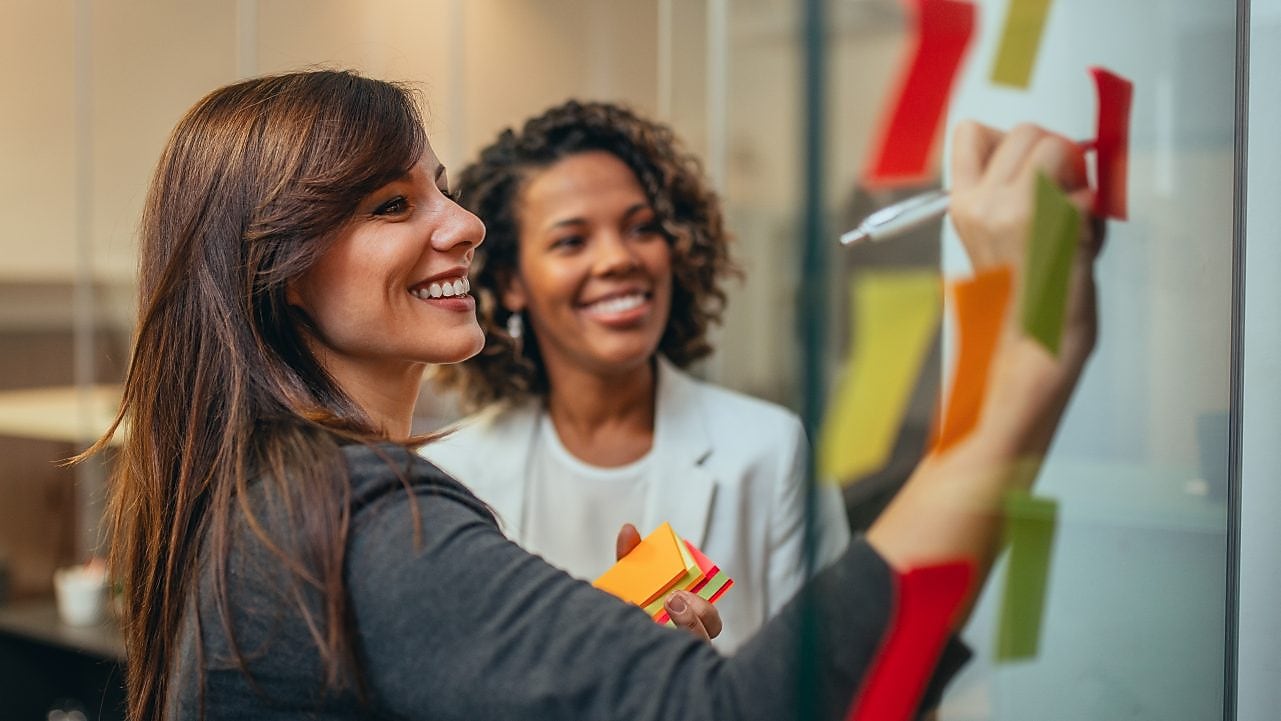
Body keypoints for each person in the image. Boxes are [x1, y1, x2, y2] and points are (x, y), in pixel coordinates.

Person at [85, 70, 1101, 721]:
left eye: (441, 187)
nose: (464, 224)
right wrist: (1021, 370)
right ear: (282, 271)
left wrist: (590, 669)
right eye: (393, 204)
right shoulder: (357, 516)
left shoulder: (276, 497)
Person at [420, 100, 849, 652]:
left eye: (642, 228)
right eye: (571, 241)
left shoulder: (771, 451)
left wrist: (698, 681)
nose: (619, 259)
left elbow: (836, 677)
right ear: (510, 283)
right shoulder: (452, 472)